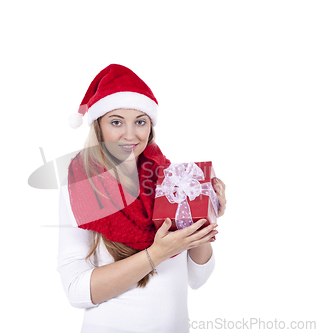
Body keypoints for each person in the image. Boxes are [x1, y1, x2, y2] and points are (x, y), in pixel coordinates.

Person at [57, 64, 227, 333]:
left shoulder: (172, 181)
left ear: (150, 125)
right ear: (98, 127)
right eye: (116, 122)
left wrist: (204, 218)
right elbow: (76, 290)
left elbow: (198, 278)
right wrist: (156, 254)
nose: (130, 134)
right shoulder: (82, 188)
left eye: (140, 121)